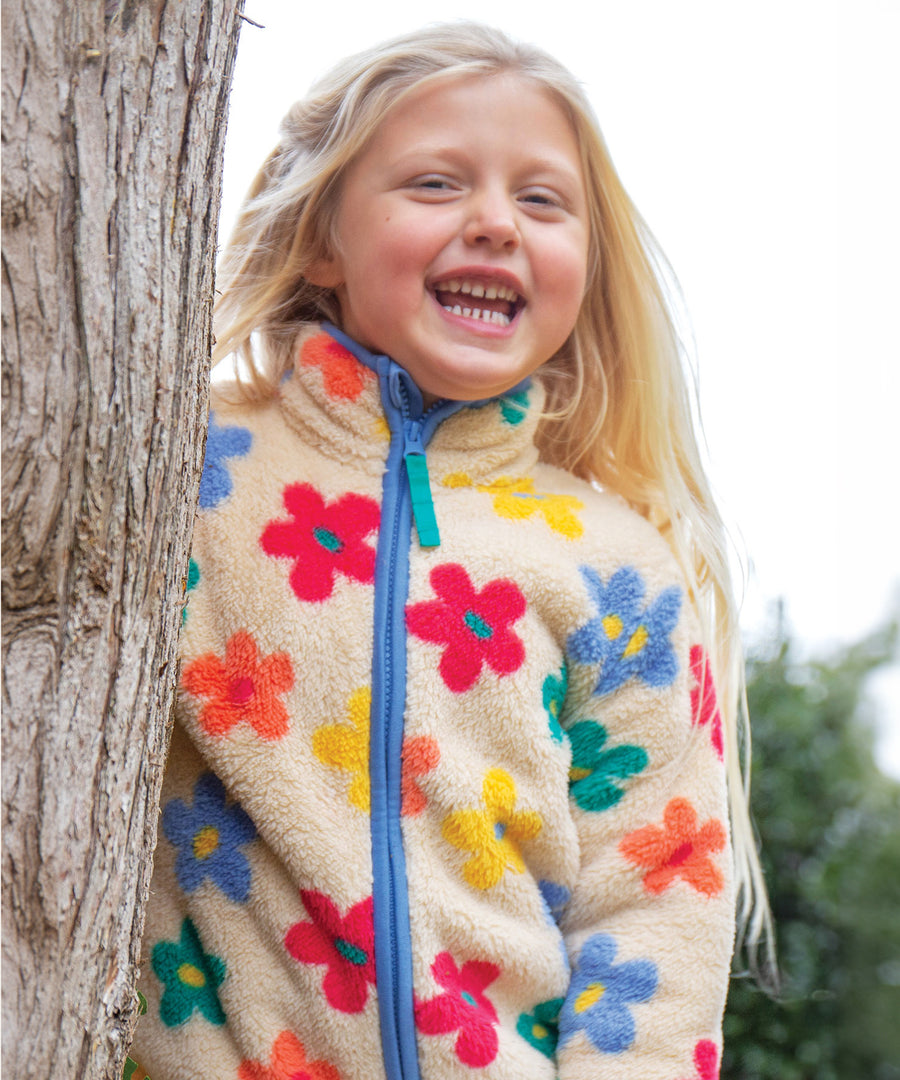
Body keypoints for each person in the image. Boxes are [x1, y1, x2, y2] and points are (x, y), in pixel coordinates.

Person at [130, 21, 771, 1080]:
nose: (494, 224)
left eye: (542, 199)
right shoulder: (188, 472)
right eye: (434, 184)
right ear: (322, 238)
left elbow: (660, 900)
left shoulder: (613, 560)